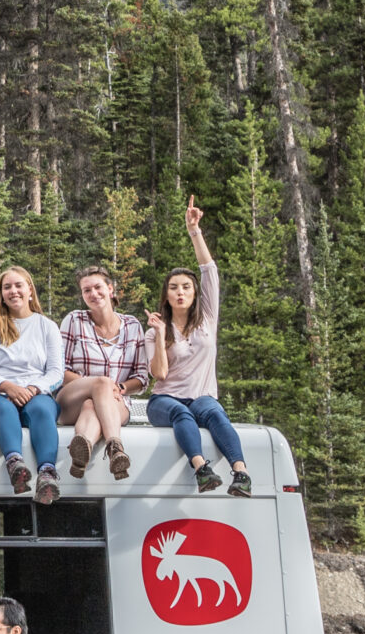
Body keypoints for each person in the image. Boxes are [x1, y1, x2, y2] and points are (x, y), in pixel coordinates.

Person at [146, 196, 252, 497]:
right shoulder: (154, 330)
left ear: (194, 293)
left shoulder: (207, 320)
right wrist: (160, 333)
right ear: (166, 295)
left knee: (216, 413)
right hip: (164, 401)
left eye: (186, 287)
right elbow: (160, 376)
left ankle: (240, 473)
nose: (180, 292)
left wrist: (194, 230)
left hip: (202, 395)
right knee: (182, 414)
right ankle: (201, 468)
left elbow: (209, 270)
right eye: (173, 287)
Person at [0, 267, 66, 506]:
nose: (13, 291)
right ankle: (15, 464)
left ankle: (47, 473)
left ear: (30, 290)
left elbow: (56, 372)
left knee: (43, 410)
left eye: (18, 286)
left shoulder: (47, 326)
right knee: (4, 410)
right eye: (7, 287)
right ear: (1, 294)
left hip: (35, 392)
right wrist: (7, 387)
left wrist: (34, 389)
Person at [58, 265, 149, 482]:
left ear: (110, 289)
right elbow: (58, 370)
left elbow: (142, 377)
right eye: (86, 290)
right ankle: (115, 446)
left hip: (116, 401)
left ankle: (81, 454)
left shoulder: (133, 325)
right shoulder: (74, 320)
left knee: (94, 404)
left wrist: (122, 388)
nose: (93, 294)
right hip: (72, 397)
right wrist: (97, 385)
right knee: (101, 384)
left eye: (97, 287)